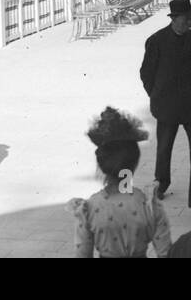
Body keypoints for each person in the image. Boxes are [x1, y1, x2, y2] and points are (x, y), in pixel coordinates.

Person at [68, 107, 170, 258]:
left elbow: (82, 254)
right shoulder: (149, 206)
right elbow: (166, 253)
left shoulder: (89, 209)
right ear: (135, 162)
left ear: (101, 166)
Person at [140, 0, 191, 200]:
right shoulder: (156, 41)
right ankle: (161, 183)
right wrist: (155, 94)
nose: (190, 23)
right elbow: (146, 73)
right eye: (186, 19)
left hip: (190, 102)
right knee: (164, 147)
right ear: (174, 19)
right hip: (166, 104)